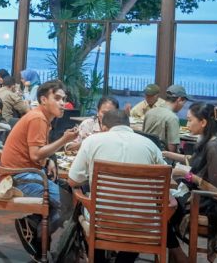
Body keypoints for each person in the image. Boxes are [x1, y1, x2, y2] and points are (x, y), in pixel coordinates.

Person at [68, 109, 167, 263]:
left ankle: (98, 259)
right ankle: (124, 261)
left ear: (104, 127)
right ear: (129, 126)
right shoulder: (150, 145)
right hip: (143, 226)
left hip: (103, 222)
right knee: (144, 218)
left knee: (83, 207)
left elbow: (73, 181)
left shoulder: (92, 141)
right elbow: (162, 182)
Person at [0, 80, 78, 259]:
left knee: (65, 191)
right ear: (43, 100)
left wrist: (49, 158)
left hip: (25, 173)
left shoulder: (41, 117)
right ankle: (39, 238)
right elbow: (35, 155)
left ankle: (34, 223)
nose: (62, 103)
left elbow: (39, 151)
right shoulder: (38, 118)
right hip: (17, 178)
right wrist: (64, 140)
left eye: (64, 99)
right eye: (57, 98)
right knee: (68, 203)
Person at [168, 103, 217, 262]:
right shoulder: (209, 140)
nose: (187, 124)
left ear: (203, 122)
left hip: (212, 205)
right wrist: (168, 154)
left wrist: (186, 175)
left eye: (190, 120)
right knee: (164, 206)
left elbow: (216, 189)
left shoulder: (213, 146)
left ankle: (179, 255)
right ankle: (177, 254)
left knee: (163, 209)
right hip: (202, 198)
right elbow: (197, 161)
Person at [143, 84, 189, 152]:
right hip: (163, 158)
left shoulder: (149, 112)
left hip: (147, 153)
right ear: (179, 99)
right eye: (183, 103)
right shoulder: (172, 118)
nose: (183, 106)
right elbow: (171, 149)